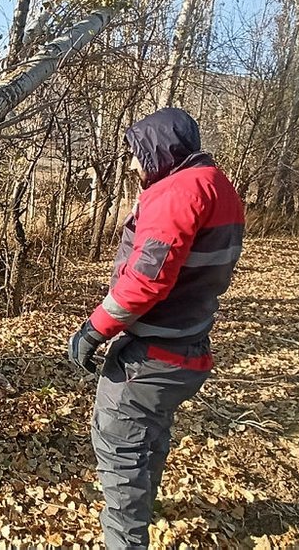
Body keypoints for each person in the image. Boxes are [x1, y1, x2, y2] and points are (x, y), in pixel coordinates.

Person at [67, 108, 245, 549]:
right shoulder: (218, 186)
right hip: (186, 344)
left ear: (161, 149)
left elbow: (147, 277)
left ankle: (126, 534)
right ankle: (141, 507)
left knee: (121, 446)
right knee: (148, 435)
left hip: (152, 355)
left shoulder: (178, 191)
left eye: (136, 153)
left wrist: (94, 330)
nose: (131, 164)